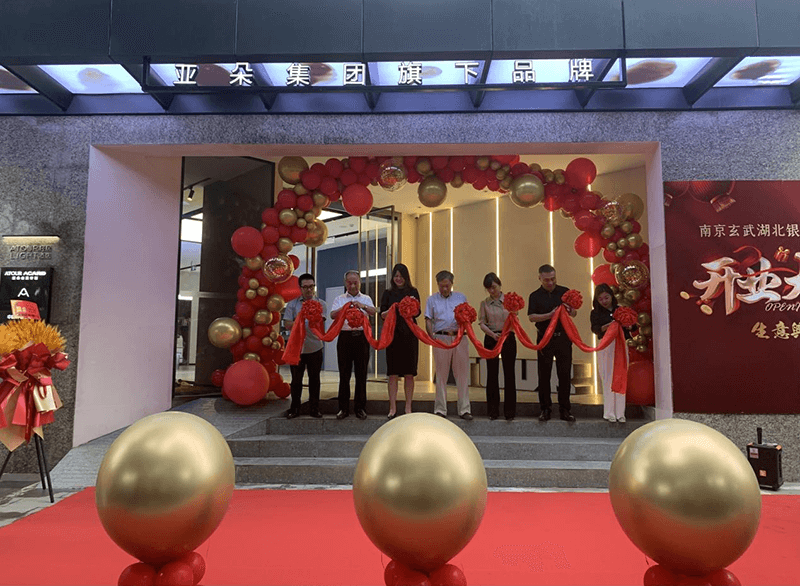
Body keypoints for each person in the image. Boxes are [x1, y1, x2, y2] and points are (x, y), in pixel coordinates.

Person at [528, 264, 577, 422]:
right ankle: (545, 409)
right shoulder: (535, 296)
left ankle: (565, 409)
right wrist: (550, 315)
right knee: (544, 375)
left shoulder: (564, 292)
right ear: (540, 278)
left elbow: (574, 312)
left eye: (553, 279)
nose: (550, 282)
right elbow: (532, 317)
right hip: (544, 339)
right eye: (546, 280)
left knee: (564, 374)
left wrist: (570, 311)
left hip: (563, 338)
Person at [424, 270, 472, 420]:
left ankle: (464, 409)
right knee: (441, 375)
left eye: (447, 286)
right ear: (437, 284)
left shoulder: (461, 297)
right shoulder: (431, 299)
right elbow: (428, 319)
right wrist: (432, 338)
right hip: (441, 338)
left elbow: (468, 317)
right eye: (442, 286)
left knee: (462, 375)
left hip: (459, 337)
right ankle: (440, 409)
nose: (444, 289)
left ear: (452, 284)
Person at [330, 270, 376, 420]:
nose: (353, 286)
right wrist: (345, 308)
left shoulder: (366, 298)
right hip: (345, 338)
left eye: (355, 282)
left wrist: (362, 306)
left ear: (360, 283)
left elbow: (373, 311)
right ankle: (343, 408)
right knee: (344, 374)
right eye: (349, 283)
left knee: (361, 374)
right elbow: (332, 315)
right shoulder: (340, 299)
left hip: (361, 338)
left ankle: (360, 408)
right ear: (345, 283)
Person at [283, 273, 327, 419]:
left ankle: (314, 409)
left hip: (315, 347)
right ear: (300, 288)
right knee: (296, 380)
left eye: (311, 287)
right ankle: (295, 409)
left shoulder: (321, 304)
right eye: (306, 287)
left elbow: (320, 322)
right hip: (297, 349)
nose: (309, 290)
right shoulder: (292, 304)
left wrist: (311, 315)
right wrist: (300, 318)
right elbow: (287, 324)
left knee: (315, 380)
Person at [380, 263, 420, 419]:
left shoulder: (413, 291)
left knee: (409, 373)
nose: (398, 279)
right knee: (393, 373)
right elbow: (382, 314)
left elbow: (418, 312)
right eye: (396, 276)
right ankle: (392, 408)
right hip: (393, 335)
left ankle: (408, 407)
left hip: (410, 335)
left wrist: (408, 308)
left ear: (406, 277)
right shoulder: (387, 293)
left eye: (401, 276)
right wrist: (393, 309)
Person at [479, 272, 516, 421]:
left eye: (494, 287)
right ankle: (493, 410)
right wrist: (493, 335)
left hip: (508, 337)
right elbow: (482, 322)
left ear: (500, 285)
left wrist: (505, 333)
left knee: (509, 373)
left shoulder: (510, 300)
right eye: (489, 288)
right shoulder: (484, 303)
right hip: (491, 338)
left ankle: (510, 411)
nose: (492, 291)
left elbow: (515, 319)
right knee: (492, 374)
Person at [590, 283, 629, 423]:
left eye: (606, 297)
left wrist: (627, 324)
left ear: (612, 296)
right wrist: (609, 326)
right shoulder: (595, 313)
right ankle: (609, 413)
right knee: (607, 378)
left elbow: (632, 327)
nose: (604, 301)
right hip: (606, 345)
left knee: (621, 376)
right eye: (601, 299)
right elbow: (595, 329)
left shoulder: (621, 310)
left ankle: (620, 413)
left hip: (621, 344)